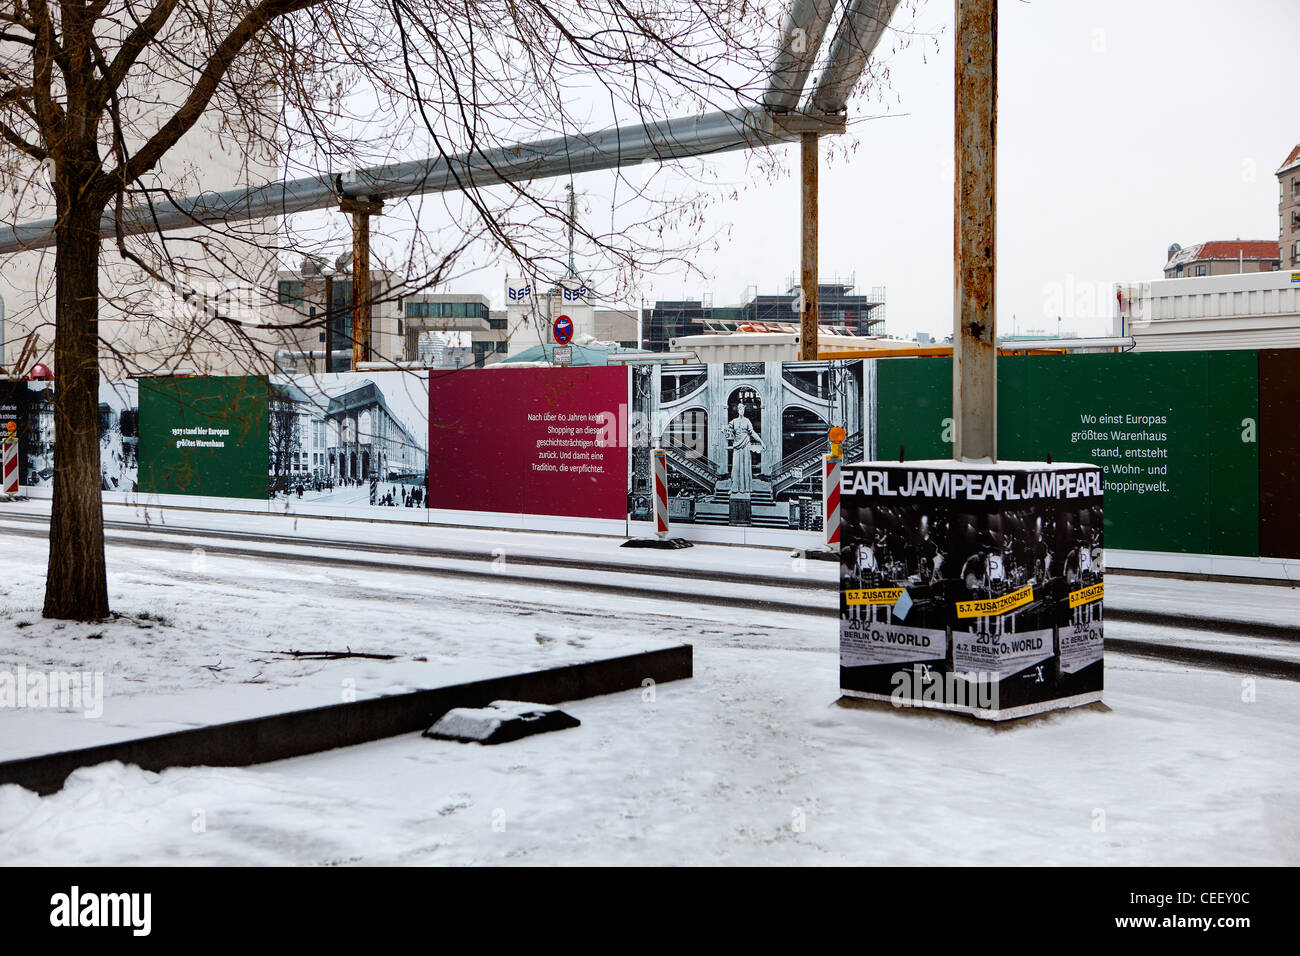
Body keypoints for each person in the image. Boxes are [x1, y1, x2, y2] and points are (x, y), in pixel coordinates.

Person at [723, 402, 763, 497]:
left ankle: (746, 489)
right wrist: (724, 429)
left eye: (743, 409)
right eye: (740, 409)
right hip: (737, 446)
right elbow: (727, 428)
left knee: (745, 467)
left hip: (745, 446)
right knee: (736, 467)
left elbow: (752, 433)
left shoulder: (747, 421)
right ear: (738, 410)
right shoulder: (734, 421)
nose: (742, 411)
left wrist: (761, 442)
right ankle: (734, 488)